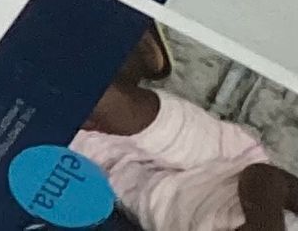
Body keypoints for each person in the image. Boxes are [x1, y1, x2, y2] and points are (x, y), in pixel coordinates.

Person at [71, 35, 298, 231]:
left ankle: (131, 65)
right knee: (102, 104)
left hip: (155, 206)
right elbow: (267, 177)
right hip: (218, 163)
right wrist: (264, 224)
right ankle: (126, 59)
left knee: (57, 131)